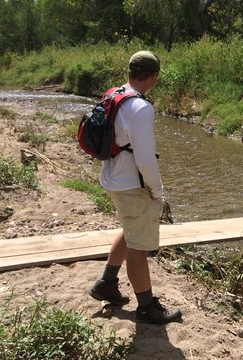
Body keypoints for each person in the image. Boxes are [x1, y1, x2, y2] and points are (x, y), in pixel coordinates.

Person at [89, 50, 182, 324]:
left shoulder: (114, 94)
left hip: (112, 179)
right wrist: (157, 189)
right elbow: (145, 159)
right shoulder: (141, 108)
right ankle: (146, 307)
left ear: (130, 72)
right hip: (133, 185)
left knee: (129, 230)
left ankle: (106, 283)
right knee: (138, 249)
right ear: (153, 76)